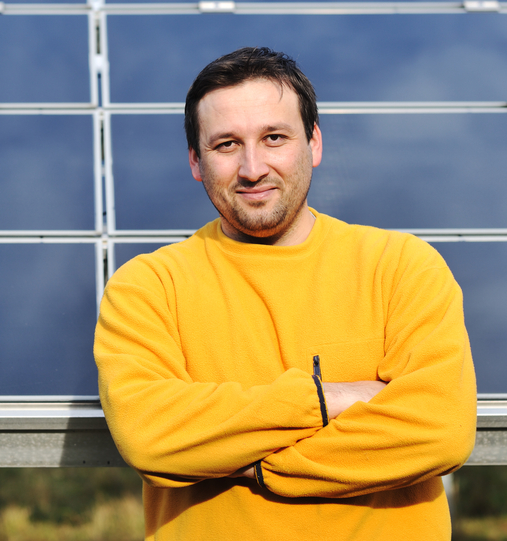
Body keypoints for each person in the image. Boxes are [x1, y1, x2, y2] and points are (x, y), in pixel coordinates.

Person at [94, 47, 476, 540]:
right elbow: (150, 435)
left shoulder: (401, 267)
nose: (253, 168)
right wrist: (326, 399)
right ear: (195, 160)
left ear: (313, 143)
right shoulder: (148, 287)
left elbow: (440, 428)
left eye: (274, 138)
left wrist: (258, 468)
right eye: (226, 145)